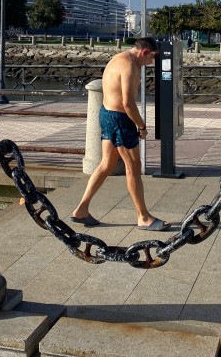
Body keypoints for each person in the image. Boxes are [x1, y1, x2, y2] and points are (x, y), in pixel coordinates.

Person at [71, 37, 170, 231]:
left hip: (107, 114)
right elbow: (127, 103)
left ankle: (81, 210)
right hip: (120, 118)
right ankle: (143, 217)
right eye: (152, 57)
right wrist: (141, 126)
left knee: (106, 164)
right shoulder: (129, 66)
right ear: (144, 52)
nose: (152, 62)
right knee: (133, 165)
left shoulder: (119, 58)